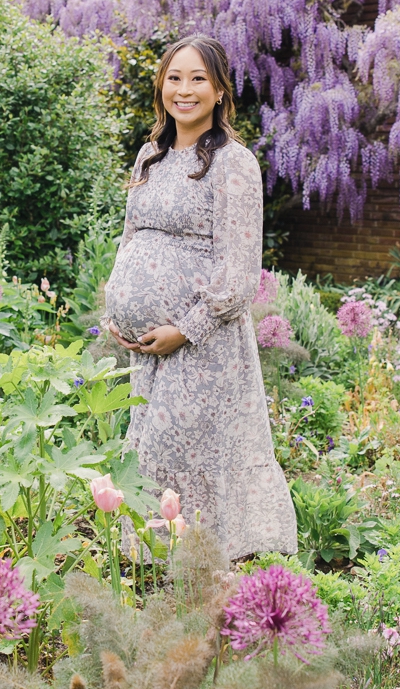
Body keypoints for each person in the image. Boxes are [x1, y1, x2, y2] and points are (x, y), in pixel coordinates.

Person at [101, 34, 296, 560]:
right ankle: (154, 567)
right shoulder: (151, 156)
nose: (183, 90)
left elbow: (238, 272)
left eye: (197, 79)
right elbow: (131, 238)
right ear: (161, 85)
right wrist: (116, 308)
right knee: (152, 458)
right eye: (174, 78)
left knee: (187, 456)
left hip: (203, 348)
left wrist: (185, 329)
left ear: (219, 91)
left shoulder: (233, 164)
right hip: (150, 348)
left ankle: (202, 567)